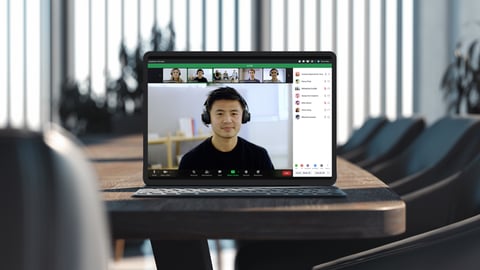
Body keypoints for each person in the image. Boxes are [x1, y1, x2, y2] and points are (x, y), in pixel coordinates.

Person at [178, 87, 274, 171]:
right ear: (208, 117)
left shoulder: (259, 156)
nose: (227, 120)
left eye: (234, 113)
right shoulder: (190, 161)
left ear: (244, 117)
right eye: (220, 114)